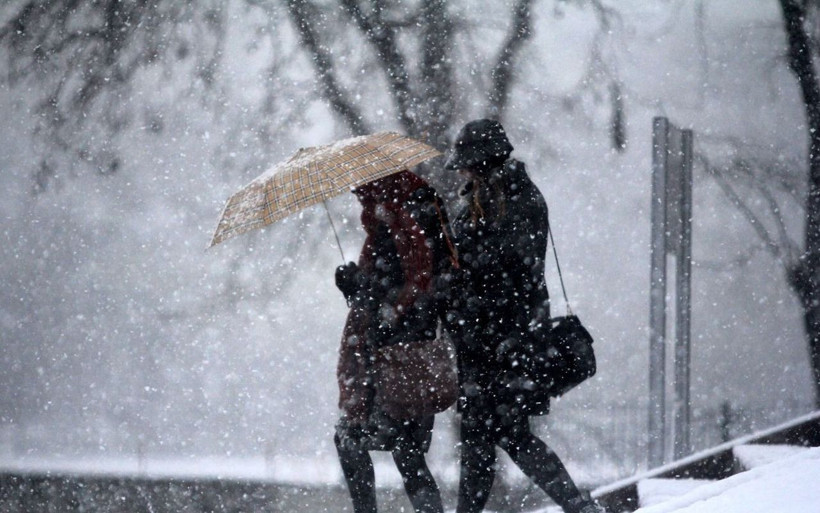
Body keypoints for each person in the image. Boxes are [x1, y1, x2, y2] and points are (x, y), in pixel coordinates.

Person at [443, 119, 604, 513]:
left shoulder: (518, 200)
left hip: (504, 341)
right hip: (485, 342)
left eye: (466, 164)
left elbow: (512, 271)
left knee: (502, 434)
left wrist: (459, 264)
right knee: (490, 437)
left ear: (482, 162)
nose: (461, 171)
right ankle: (576, 506)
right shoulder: (482, 201)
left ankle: (577, 506)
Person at [333, 170, 457, 513]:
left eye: (363, 192)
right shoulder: (400, 218)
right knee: (404, 452)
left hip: (398, 359)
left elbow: (411, 287)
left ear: (379, 187)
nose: (360, 199)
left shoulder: (402, 219)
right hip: (403, 356)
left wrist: (371, 295)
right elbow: (396, 287)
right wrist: (356, 286)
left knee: (362, 442)